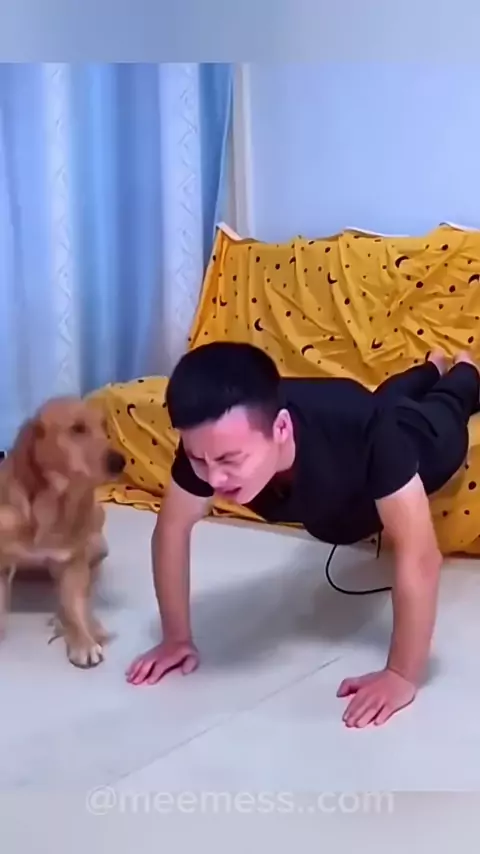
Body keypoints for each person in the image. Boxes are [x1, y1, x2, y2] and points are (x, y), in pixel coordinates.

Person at [126, 341, 480, 728]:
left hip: (414, 441)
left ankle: (463, 371)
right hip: (362, 424)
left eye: (230, 461)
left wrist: (401, 674)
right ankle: (430, 367)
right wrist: (176, 638)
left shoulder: (363, 428)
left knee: (440, 413)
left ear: (280, 428)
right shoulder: (210, 442)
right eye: (199, 460)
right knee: (390, 396)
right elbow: (172, 528)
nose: (213, 478)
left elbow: (420, 555)